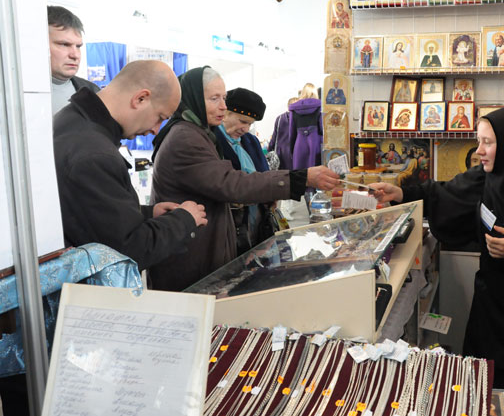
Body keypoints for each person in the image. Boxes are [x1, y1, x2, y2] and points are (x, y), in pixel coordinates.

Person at [370, 107, 504, 410]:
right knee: (485, 397)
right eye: (479, 141)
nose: (479, 151)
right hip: (492, 317)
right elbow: (441, 194)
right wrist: (399, 194)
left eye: (487, 142)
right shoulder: (482, 180)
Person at [150, 68, 338, 291]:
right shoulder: (186, 137)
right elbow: (232, 184)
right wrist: (301, 178)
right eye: (214, 98)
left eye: (224, 98)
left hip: (201, 250)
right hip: (189, 259)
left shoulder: (199, 133)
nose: (223, 106)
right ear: (193, 98)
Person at [53, 60, 208, 269]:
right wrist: (184, 220)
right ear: (140, 98)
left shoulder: (70, 119)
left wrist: (145, 213)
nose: (155, 130)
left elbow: (91, 214)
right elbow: (129, 251)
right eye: (159, 117)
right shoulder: (95, 155)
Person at [213, 87, 275, 253]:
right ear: (226, 113)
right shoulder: (211, 140)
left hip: (255, 223)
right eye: (242, 121)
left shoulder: (250, 141)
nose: (246, 129)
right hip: (229, 227)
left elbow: (264, 174)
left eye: (250, 124)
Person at [47, 5, 99, 114]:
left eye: (78, 46)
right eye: (64, 44)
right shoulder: (14, 93)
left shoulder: (93, 92)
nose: (75, 55)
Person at [269, 83, 324, 170]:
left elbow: (292, 133)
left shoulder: (294, 109)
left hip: (299, 143)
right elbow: (322, 128)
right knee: (316, 172)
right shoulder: (320, 107)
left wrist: (292, 151)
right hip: (315, 143)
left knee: (300, 173)